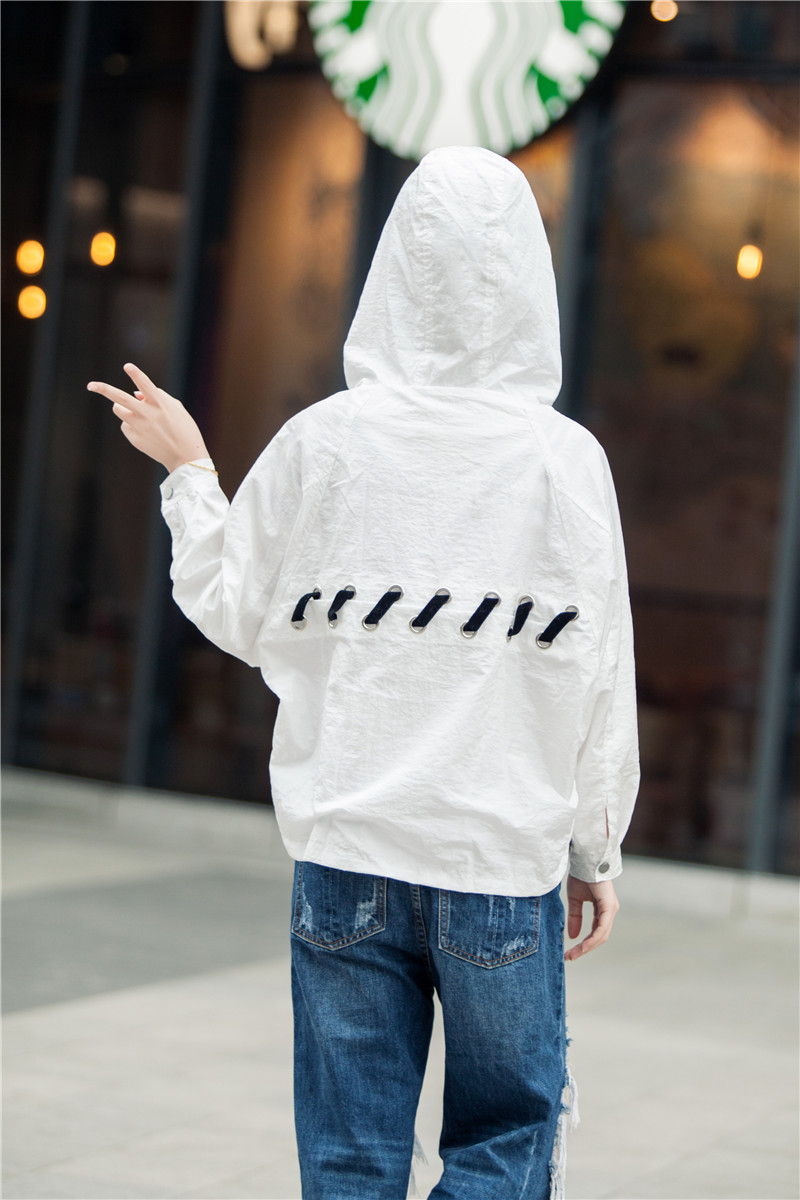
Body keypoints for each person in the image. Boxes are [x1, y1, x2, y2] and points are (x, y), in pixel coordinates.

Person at [88, 145, 639, 1200]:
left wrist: (192, 475)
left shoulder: (326, 442)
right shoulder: (563, 461)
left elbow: (236, 607)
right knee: (505, 1144)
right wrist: (594, 848)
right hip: (495, 859)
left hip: (346, 852)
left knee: (347, 1157)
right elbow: (597, 670)